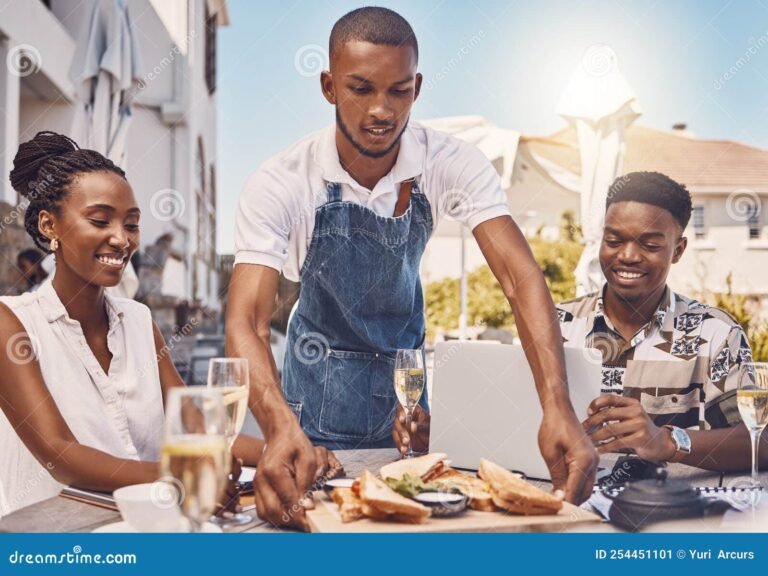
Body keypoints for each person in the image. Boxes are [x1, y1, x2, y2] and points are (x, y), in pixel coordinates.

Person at [227, 6, 597, 529]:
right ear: (329, 86)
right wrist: (277, 425)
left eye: (398, 91)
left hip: (409, 395)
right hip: (316, 412)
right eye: (361, 89)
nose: (382, 110)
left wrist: (556, 405)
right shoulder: (282, 182)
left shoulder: (451, 163)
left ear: (417, 88)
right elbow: (245, 320)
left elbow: (520, 279)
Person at [0, 132, 340, 518]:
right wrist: (179, 476)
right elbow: (58, 453)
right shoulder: (11, 323)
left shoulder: (139, 321)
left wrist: (284, 450)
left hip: (145, 526)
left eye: (131, 225)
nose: (121, 239)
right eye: (100, 220)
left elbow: (194, 430)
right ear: (49, 225)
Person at [557, 171, 765, 470]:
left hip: (680, 510)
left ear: (678, 250)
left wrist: (668, 442)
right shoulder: (556, 325)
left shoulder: (715, 332)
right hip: (569, 503)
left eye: (650, 245)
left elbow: (759, 441)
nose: (627, 256)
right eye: (613, 240)